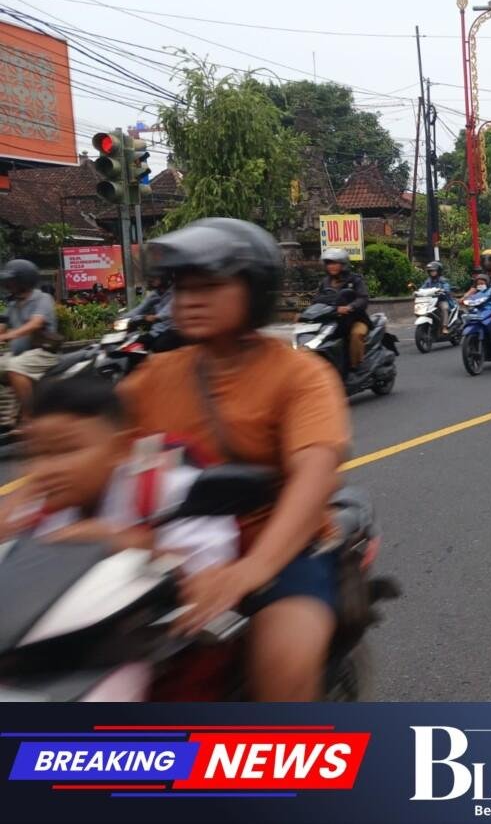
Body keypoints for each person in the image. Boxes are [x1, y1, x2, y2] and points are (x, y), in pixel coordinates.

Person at [117, 217, 350, 702]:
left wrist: (254, 568)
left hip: (278, 549)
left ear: (254, 291)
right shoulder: (152, 376)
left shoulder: (301, 375)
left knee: (284, 667)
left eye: (209, 286)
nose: (188, 299)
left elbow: (314, 476)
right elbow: (94, 452)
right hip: (166, 554)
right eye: (182, 287)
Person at [0, 374, 239, 578]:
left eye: (66, 450)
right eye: (35, 454)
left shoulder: (174, 492)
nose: (44, 469)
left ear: (121, 448)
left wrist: (131, 547)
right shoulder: (34, 511)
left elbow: (211, 577)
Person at [0, 259, 60, 423]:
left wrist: (8, 336)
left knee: (15, 367)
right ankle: (10, 408)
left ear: (24, 280)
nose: (8, 284)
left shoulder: (43, 298)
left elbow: (35, 323)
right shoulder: (13, 303)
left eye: (12, 281)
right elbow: (2, 327)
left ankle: (29, 416)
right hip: (20, 354)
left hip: (42, 352)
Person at [315, 247, 369, 370]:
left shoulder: (355, 280)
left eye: (335, 263)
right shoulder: (325, 282)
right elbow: (316, 299)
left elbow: (363, 298)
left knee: (356, 334)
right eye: (329, 263)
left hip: (355, 319)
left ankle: (356, 367)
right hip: (332, 320)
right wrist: (303, 314)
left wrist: (350, 307)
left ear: (343, 264)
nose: (331, 266)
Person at [128, 273, 180, 352]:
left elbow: (169, 309)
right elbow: (140, 308)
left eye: (155, 277)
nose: (152, 279)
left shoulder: (177, 291)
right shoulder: (154, 294)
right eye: (151, 277)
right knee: (134, 346)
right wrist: (122, 318)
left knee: (159, 346)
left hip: (174, 329)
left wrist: (156, 317)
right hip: (156, 331)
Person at [419, 261, 456, 335]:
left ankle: (444, 327)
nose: (432, 273)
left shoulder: (443, 280)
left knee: (444, 308)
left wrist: (444, 290)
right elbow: (422, 288)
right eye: (430, 271)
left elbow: (446, 287)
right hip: (431, 301)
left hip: (441, 300)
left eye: (434, 271)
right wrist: (418, 292)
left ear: (438, 271)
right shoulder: (428, 281)